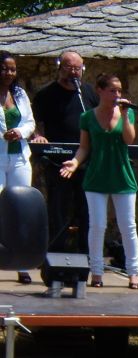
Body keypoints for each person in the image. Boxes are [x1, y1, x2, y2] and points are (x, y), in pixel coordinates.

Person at [59, 73, 138, 289]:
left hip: (122, 177)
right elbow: (84, 147)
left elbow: (129, 139)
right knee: (97, 225)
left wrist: (124, 115)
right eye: (112, 90)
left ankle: (133, 273)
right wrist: (75, 164)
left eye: (119, 91)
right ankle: (96, 272)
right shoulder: (87, 117)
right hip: (96, 177)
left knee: (128, 226)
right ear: (100, 91)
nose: (117, 95)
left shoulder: (127, 113)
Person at [31, 50, 99, 253]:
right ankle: (56, 254)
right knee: (58, 210)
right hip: (57, 162)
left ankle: (86, 254)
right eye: (69, 68)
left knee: (86, 210)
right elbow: (34, 122)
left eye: (77, 68)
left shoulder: (88, 93)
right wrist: (38, 135)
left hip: (85, 161)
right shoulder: (46, 94)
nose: (73, 72)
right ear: (59, 67)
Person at [0, 50, 36, 284]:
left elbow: (30, 122)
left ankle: (21, 264)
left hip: (20, 158)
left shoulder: (20, 94)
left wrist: (20, 132)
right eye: (4, 68)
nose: (9, 73)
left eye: (12, 69)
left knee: (21, 210)